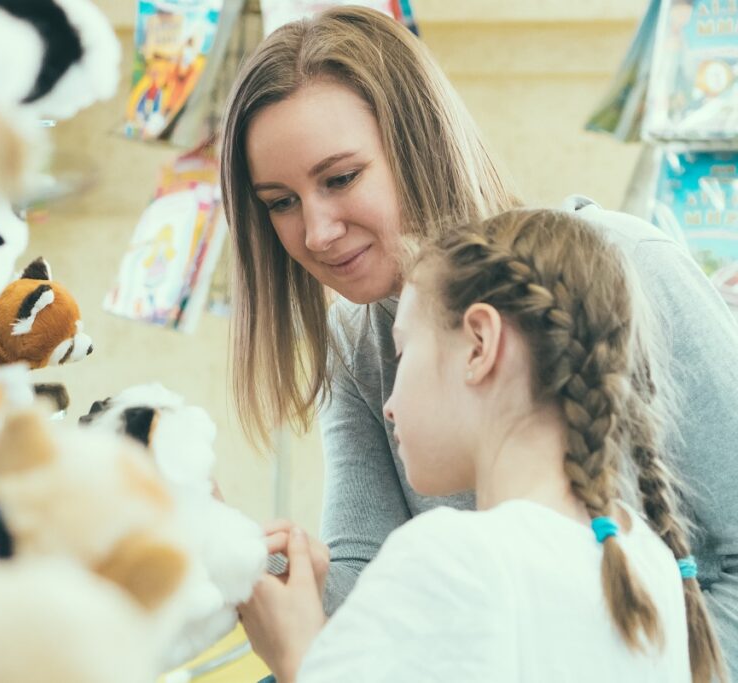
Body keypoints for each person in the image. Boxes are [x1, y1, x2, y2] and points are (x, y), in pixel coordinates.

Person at [219, 4, 738, 677]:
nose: (315, 232)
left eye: (340, 178)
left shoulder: (629, 265)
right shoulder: (355, 340)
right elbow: (370, 591)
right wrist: (221, 548)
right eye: (280, 201)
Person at [236, 209, 727, 682]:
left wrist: (295, 652)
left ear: (478, 345)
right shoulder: (647, 560)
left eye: (402, 353)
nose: (388, 404)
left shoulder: (450, 557)